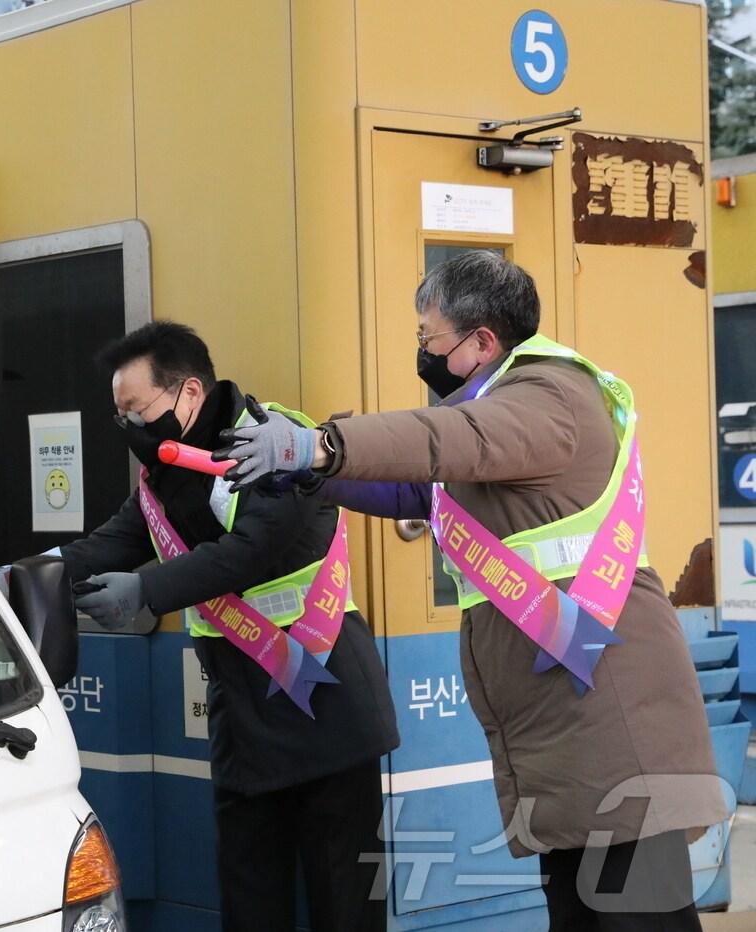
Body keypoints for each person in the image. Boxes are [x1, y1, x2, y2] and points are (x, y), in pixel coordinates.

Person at [217, 250, 725, 929]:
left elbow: (446, 439)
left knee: (637, 914)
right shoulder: (500, 408)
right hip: (566, 710)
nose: (422, 354)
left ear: (483, 341)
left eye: (429, 340)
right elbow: (418, 485)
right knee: (580, 911)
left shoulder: (547, 398)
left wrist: (319, 445)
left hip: (610, 709)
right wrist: (307, 474)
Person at [56, 321, 399, 932]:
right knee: (249, 904)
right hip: (242, 716)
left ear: (189, 393)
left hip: (328, 707)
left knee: (346, 906)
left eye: (137, 409)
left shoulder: (278, 443)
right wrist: (12, 575)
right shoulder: (163, 477)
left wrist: (146, 589)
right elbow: (111, 542)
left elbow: (252, 550)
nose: (130, 427)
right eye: (120, 417)